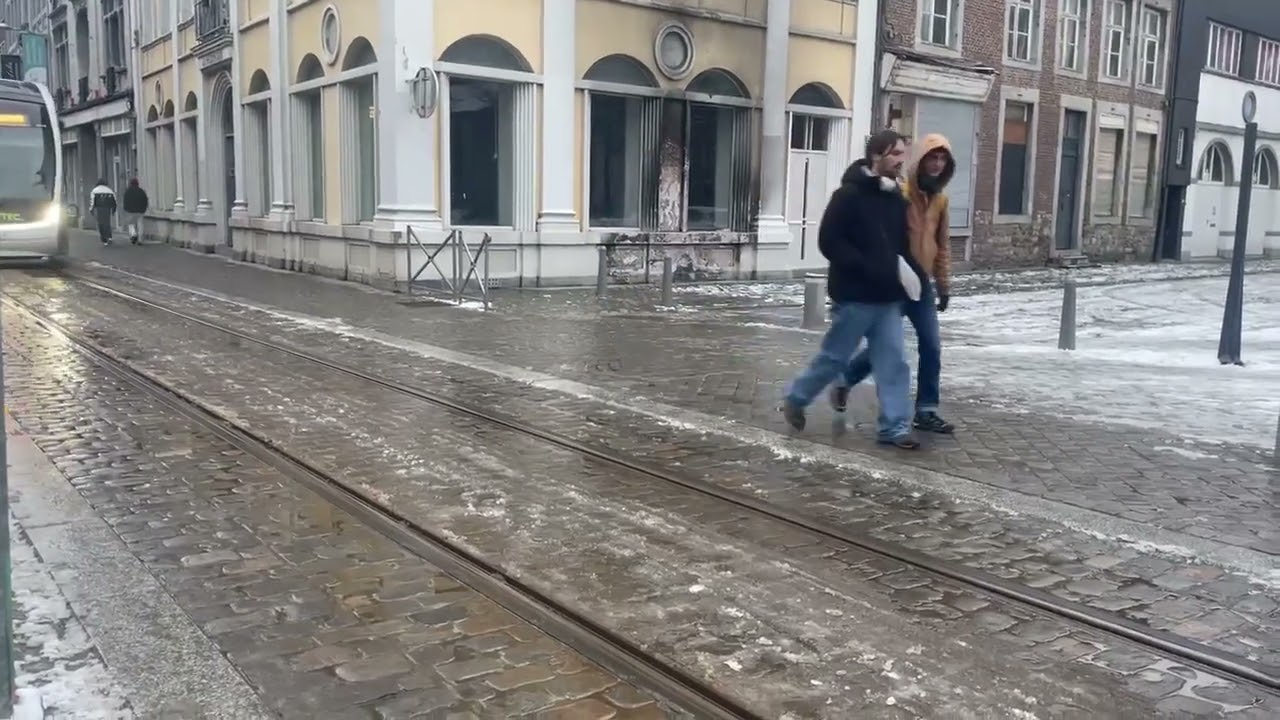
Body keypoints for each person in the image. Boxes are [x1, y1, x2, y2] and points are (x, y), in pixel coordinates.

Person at [780, 129, 924, 450]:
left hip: (887, 298)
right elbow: (829, 241)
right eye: (896, 154)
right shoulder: (848, 196)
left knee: (894, 361)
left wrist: (914, 276)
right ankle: (797, 397)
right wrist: (864, 265)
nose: (902, 161)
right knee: (834, 358)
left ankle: (894, 428)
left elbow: (901, 247)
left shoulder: (896, 199)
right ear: (877, 156)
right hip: (855, 297)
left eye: (903, 154)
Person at [831, 134, 957, 434]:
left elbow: (942, 245)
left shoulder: (940, 200)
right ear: (921, 160)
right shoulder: (899, 193)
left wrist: (944, 285)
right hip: (893, 281)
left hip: (921, 286)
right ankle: (845, 379)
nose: (937, 164)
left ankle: (926, 410)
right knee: (885, 348)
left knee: (932, 346)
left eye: (942, 159)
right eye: (932, 158)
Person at [121, 178, 149, 245]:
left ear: (130, 184)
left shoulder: (128, 191)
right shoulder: (141, 191)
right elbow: (145, 200)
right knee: (140, 224)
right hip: (140, 211)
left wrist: (126, 209)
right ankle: (140, 239)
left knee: (131, 224)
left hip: (130, 211)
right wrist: (144, 209)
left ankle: (133, 234)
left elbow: (125, 201)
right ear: (137, 184)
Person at [89, 179, 117, 246]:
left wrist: (91, 210)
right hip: (107, 208)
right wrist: (114, 210)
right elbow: (114, 201)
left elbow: (92, 202)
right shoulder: (110, 190)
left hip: (99, 208)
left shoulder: (94, 190)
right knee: (107, 223)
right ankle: (109, 237)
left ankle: (104, 239)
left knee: (100, 223)